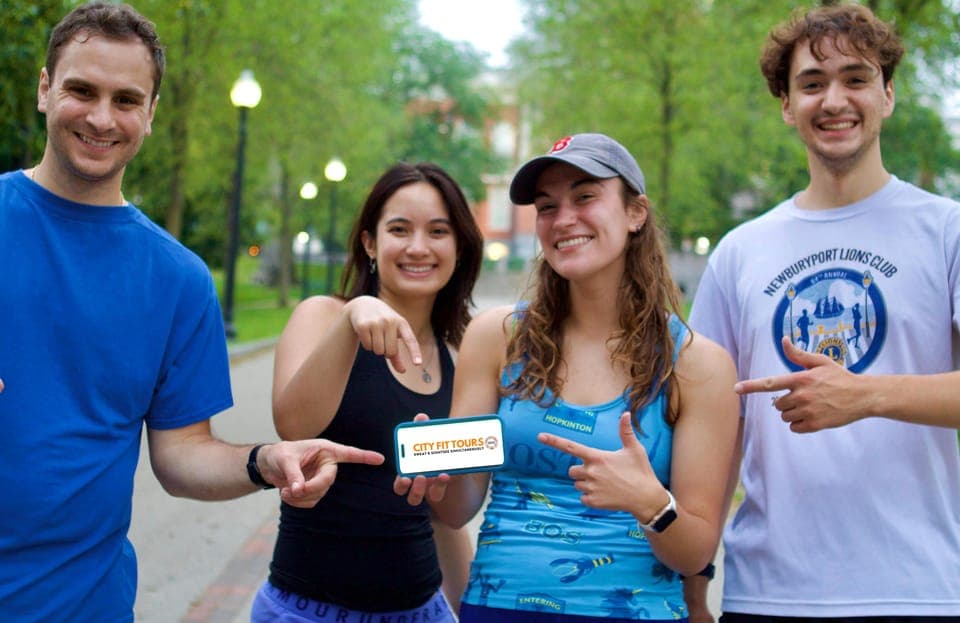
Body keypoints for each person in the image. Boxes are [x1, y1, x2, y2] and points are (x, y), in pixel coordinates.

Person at [0, 3, 384, 622]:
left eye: (126, 99)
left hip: (81, 605)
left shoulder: (178, 278)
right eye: (81, 90)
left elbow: (182, 454)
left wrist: (265, 462)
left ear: (150, 114)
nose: (102, 117)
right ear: (45, 90)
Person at [688, 4, 960, 621]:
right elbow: (715, 425)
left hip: (919, 591)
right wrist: (695, 581)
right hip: (767, 593)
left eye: (856, 78)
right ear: (787, 104)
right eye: (812, 83)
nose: (834, 99)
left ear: (887, 94)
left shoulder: (946, 230)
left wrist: (868, 396)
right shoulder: (740, 252)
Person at [398, 133, 740, 622]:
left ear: (635, 213)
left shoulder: (695, 364)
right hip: (498, 609)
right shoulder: (497, 337)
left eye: (585, 197)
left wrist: (651, 503)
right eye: (546, 206)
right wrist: (434, 478)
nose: (563, 219)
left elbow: (694, 554)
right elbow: (457, 511)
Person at [251, 161, 484, 623]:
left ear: (459, 247)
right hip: (307, 610)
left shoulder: (463, 351)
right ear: (370, 242)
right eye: (399, 229)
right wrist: (352, 318)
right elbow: (294, 427)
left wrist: (469, 611)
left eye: (438, 231)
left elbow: (451, 517)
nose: (419, 247)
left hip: (420, 611)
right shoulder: (322, 316)